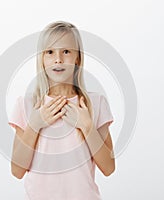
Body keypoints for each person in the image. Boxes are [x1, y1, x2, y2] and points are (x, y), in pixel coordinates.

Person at [8, 21, 115, 200]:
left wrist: (87, 127)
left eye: (66, 51)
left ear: (77, 58)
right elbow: (17, 171)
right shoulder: (26, 105)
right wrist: (35, 125)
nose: (58, 59)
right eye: (50, 52)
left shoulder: (95, 103)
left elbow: (109, 168)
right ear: (42, 59)